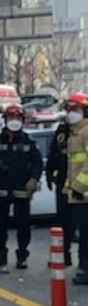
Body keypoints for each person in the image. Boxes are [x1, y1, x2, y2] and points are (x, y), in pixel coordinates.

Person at [0, 103, 43, 270]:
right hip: (1, 189)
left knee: (23, 225)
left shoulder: (29, 142)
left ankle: (22, 255)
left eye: (17, 118)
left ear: (22, 120)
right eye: (11, 118)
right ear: (5, 120)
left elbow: (37, 164)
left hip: (22, 190)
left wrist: (34, 179)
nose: (14, 121)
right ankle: (0, 254)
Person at [63, 93, 88, 285]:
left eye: (75, 110)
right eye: (69, 110)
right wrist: (68, 188)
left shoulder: (86, 131)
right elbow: (73, 166)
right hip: (78, 195)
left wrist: (79, 186)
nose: (71, 113)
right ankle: (83, 267)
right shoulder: (75, 132)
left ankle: (86, 269)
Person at [45, 115, 76, 266]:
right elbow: (53, 153)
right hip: (63, 183)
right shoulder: (62, 131)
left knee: (82, 225)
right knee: (63, 222)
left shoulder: (84, 131)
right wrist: (50, 174)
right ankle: (65, 255)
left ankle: (84, 262)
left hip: (81, 184)